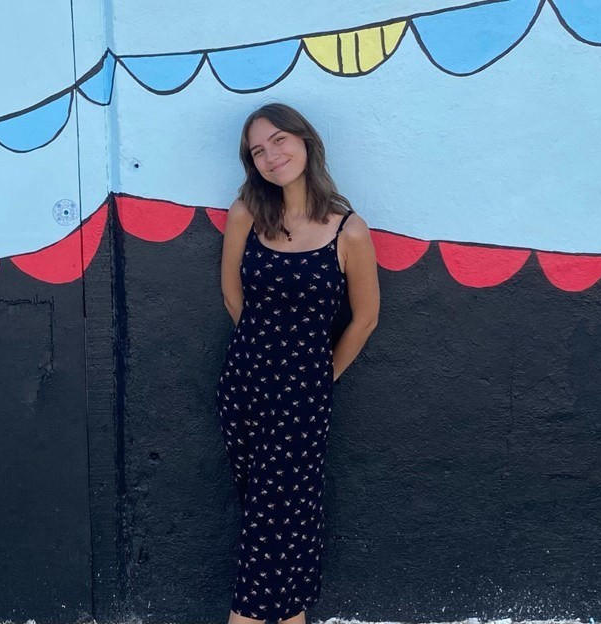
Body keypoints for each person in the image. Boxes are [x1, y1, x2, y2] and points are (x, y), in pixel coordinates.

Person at [216, 102, 380, 624]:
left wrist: (317, 378)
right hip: (243, 385)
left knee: (276, 514)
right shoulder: (245, 213)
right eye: (257, 151)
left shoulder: (349, 231)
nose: (271, 156)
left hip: (304, 395)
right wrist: (261, 354)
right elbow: (232, 295)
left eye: (279, 140)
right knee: (275, 515)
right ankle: (291, 616)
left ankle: (245, 616)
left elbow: (365, 319)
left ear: (305, 141)